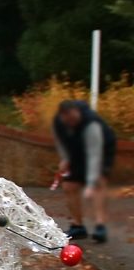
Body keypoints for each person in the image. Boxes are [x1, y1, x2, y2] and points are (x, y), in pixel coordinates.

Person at [52, 99, 115, 243]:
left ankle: (100, 226)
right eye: (68, 121)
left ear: (77, 113)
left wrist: (91, 184)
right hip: (78, 150)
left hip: (102, 149)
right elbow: (61, 142)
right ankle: (78, 225)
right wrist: (66, 159)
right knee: (69, 186)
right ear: (62, 117)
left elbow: (94, 155)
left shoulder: (91, 124)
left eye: (73, 120)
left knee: (99, 182)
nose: (71, 123)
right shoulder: (58, 122)